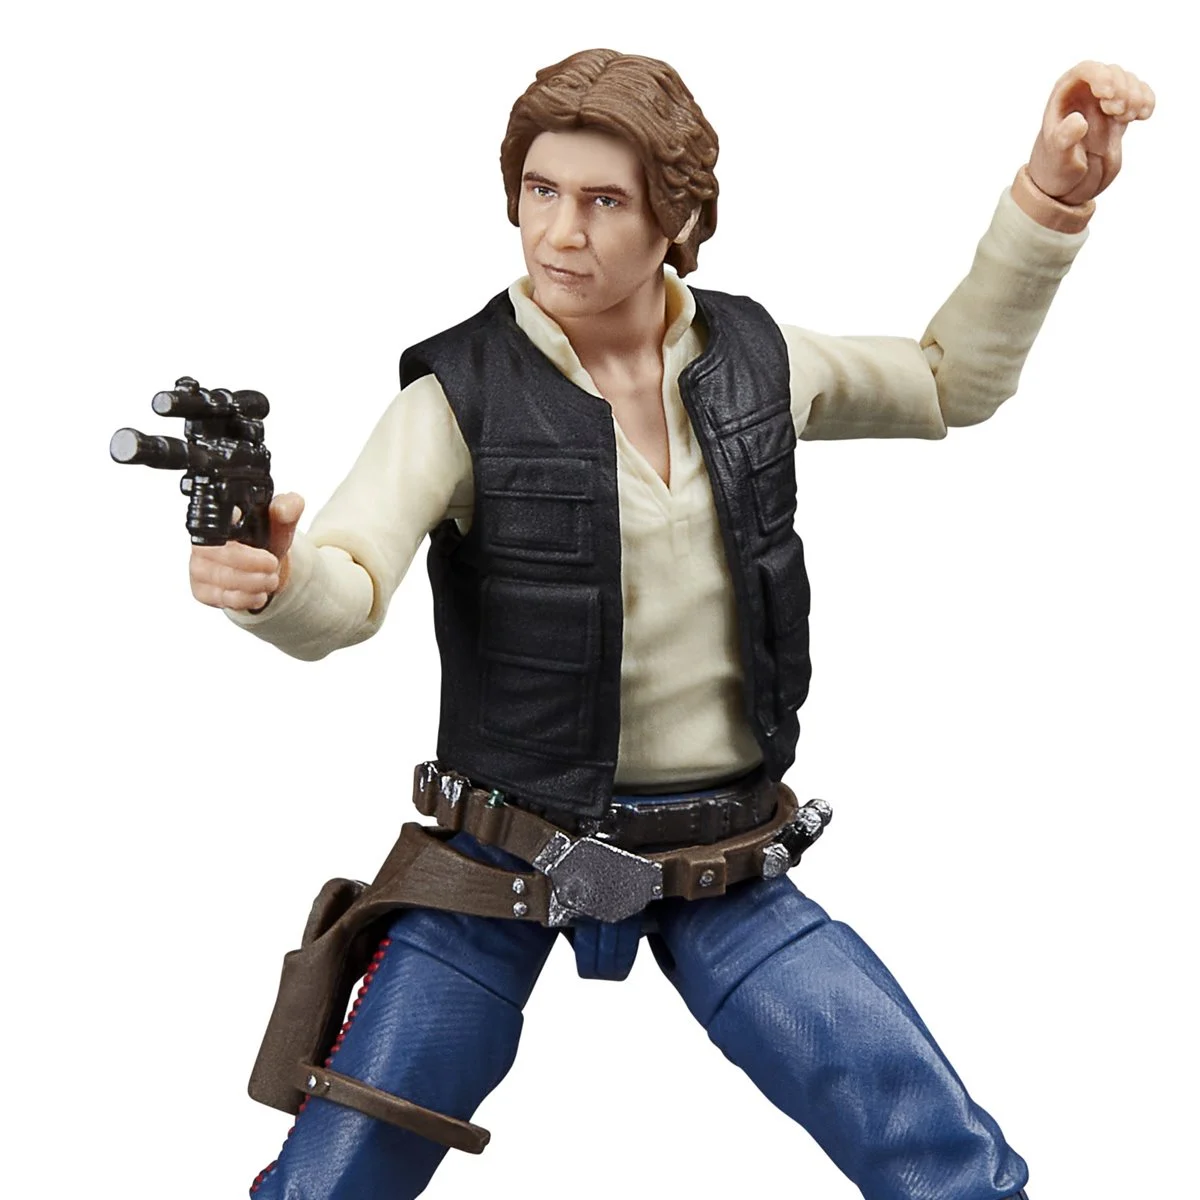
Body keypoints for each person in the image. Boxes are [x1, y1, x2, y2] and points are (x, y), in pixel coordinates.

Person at [190, 49, 1153, 1200]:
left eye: (603, 200)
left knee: (934, 1147)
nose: (560, 232)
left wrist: (1048, 201)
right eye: (540, 191)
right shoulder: (458, 397)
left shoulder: (759, 360)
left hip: (721, 858)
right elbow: (348, 583)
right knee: (338, 1169)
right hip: (505, 859)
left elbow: (949, 383)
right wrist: (275, 580)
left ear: (678, 218)